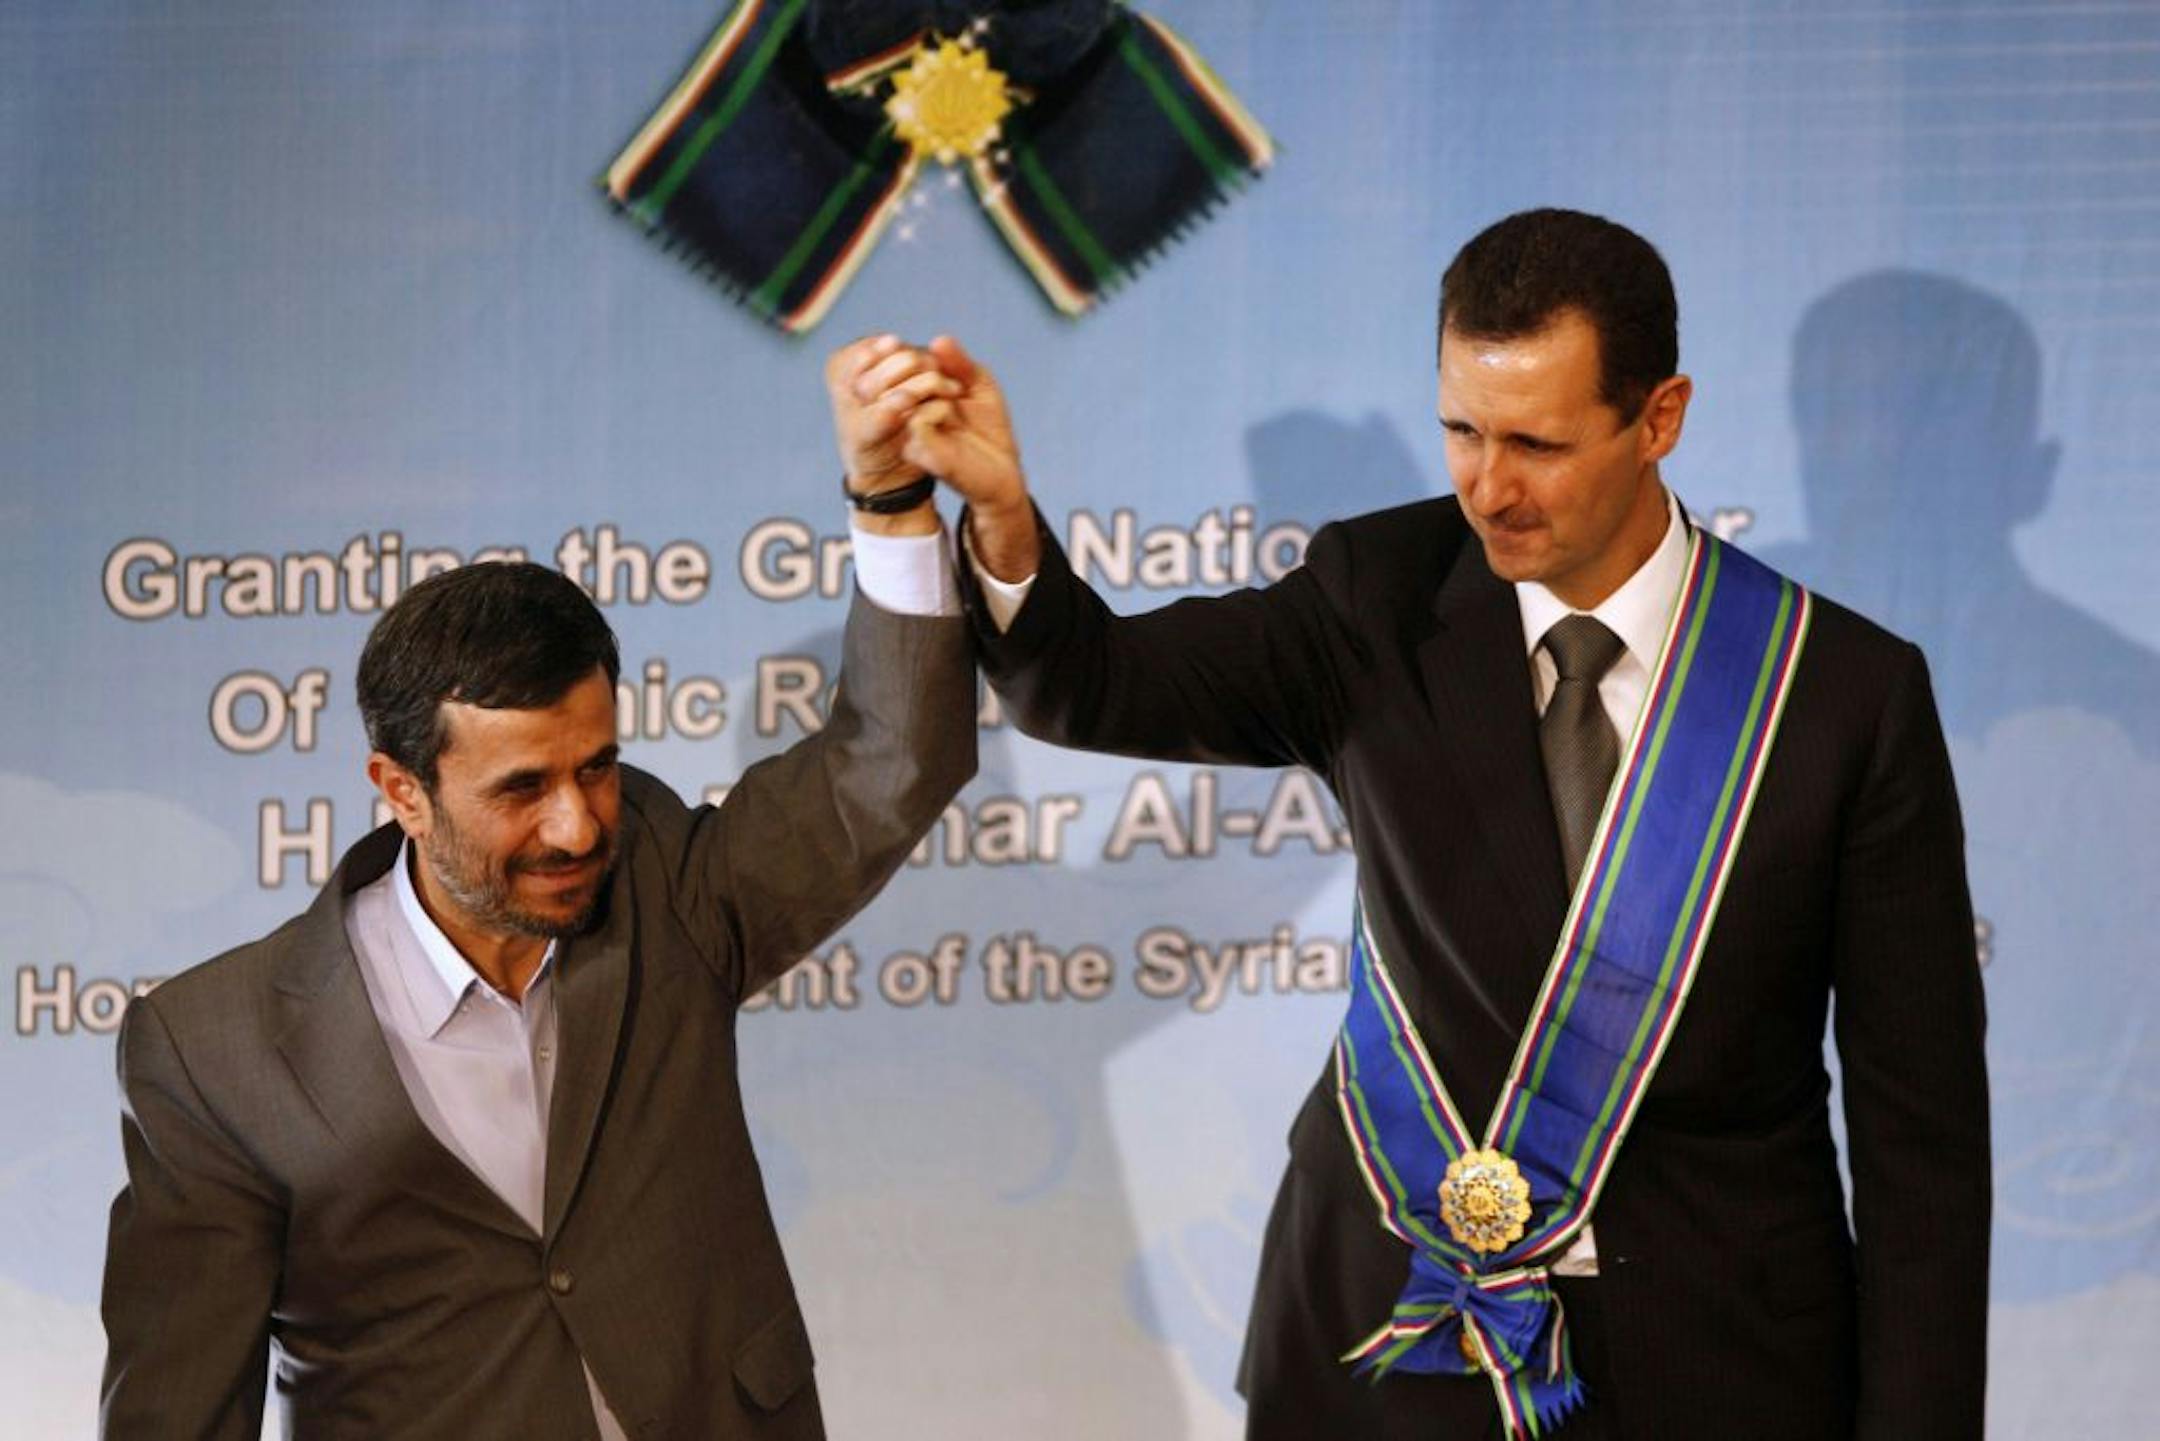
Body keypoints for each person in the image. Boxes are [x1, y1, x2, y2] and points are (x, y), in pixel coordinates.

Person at [831, 210, 1990, 1439]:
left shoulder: (1844, 694)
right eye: (1462, 430)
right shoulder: (1374, 598)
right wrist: (1003, 519)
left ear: (1660, 419)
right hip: (1384, 1346)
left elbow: (1922, 1137)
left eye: (1537, 443)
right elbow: (1086, 681)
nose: (1490, 488)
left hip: (1716, 1361)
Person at [98, 389, 975, 1441]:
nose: (575, 827)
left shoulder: (665, 884)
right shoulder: (215, 1051)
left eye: (598, 767)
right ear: (401, 788)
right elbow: (177, 1411)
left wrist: (889, 499)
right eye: (521, 789)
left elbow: (890, 766)